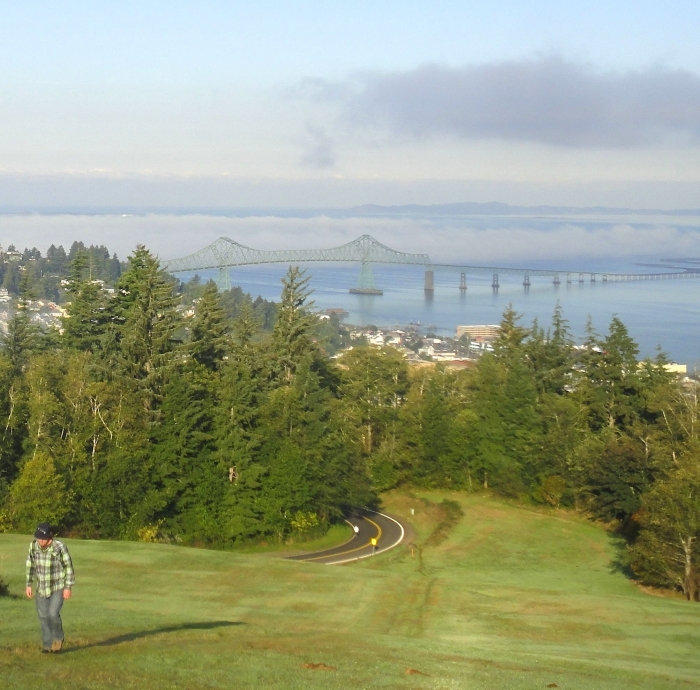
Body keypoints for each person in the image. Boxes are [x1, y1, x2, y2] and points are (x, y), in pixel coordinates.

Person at [25, 523, 75, 654]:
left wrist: (68, 587)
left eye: (43, 538)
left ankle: (58, 639)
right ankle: (47, 645)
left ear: (50, 536)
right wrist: (28, 584)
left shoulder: (59, 547)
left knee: (53, 614)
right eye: (38, 538)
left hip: (57, 586)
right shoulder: (33, 546)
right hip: (41, 587)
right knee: (43, 616)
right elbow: (30, 565)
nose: (40, 541)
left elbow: (68, 567)